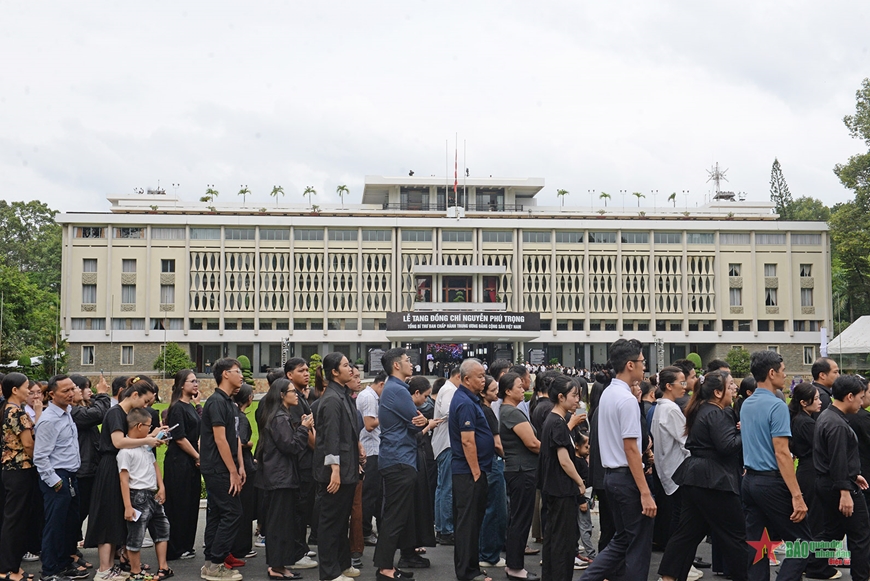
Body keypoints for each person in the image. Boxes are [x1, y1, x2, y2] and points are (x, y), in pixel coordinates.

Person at [740, 350, 827, 580]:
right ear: (771, 373)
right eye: (783, 371)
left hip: (749, 481)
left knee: (759, 546)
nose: (785, 375)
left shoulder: (747, 403)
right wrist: (797, 496)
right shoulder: (777, 405)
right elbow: (782, 453)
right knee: (803, 543)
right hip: (770, 481)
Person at [657, 371, 746, 581]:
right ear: (717, 392)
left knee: (687, 534)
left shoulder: (700, 409)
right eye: (730, 385)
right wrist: (746, 431)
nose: (734, 389)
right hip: (715, 480)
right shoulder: (717, 412)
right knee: (736, 536)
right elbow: (726, 446)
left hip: (695, 477)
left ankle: (668, 578)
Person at [581, 339, 656, 581]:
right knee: (638, 546)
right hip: (626, 478)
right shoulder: (625, 400)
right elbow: (631, 449)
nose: (645, 367)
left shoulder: (609, 394)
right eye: (643, 362)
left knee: (622, 540)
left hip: (612, 477)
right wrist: (645, 492)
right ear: (630, 364)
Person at [85, 376, 163, 581]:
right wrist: (147, 439)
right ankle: (104, 569)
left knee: (115, 519)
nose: (145, 406)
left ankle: (110, 567)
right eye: (145, 401)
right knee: (107, 517)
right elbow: (118, 441)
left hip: (116, 465)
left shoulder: (123, 413)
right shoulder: (115, 412)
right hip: (110, 468)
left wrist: (150, 435)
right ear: (134, 394)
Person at [374, 348, 430, 580]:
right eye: (408, 360)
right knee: (394, 517)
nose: (412, 364)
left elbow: (414, 421)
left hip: (398, 458)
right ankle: (385, 568)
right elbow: (416, 422)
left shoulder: (395, 389)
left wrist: (420, 421)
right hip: (399, 460)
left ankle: (386, 565)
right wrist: (423, 420)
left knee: (395, 516)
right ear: (396, 365)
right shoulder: (398, 390)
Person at [813, 374, 870, 581]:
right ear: (849, 396)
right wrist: (845, 491)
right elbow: (837, 460)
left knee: (833, 532)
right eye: (860, 397)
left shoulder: (828, 416)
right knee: (860, 534)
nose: (862, 402)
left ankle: (810, 563)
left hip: (831, 483)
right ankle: (861, 576)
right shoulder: (836, 423)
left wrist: (854, 475)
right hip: (838, 486)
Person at [255, 378, 313, 581]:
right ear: (282, 395)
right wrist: (304, 428)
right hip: (280, 478)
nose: (296, 394)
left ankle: (280, 565)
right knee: (279, 524)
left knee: (282, 523)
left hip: (280, 476)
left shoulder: (279, 415)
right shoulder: (279, 417)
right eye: (292, 391)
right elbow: (291, 446)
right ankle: (276, 567)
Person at [313, 352, 360, 581]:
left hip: (347, 469)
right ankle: (330, 573)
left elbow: (346, 433)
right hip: (336, 472)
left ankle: (342, 565)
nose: (350, 368)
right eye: (345, 365)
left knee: (342, 522)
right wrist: (335, 469)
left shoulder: (343, 394)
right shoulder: (332, 398)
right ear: (334, 372)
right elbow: (330, 437)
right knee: (331, 524)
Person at [32, 375, 84, 581]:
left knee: (68, 524)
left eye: (72, 389)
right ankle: (50, 570)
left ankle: (63, 564)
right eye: (65, 391)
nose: (71, 394)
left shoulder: (67, 413)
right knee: (54, 525)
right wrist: (55, 481)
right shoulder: (49, 420)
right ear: (52, 394)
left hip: (71, 475)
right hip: (57, 477)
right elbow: (40, 456)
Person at [200, 359, 246, 581]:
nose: (242, 376)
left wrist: (240, 465)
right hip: (217, 468)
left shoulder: (229, 403)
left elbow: (234, 437)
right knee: (232, 512)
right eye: (238, 372)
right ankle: (216, 563)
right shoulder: (216, 402)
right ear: (225, 374)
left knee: (219, 513)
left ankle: (211, 562)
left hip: (225, 467)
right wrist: (232, 471)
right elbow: (220, 440)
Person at [449, 358, 495, 581]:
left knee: (472, 523)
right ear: (466, 379)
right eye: (479, 376)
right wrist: (476, 472)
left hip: (471, 471)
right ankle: (468, 572)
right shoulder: (466, 402)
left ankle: (471, 567)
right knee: (467, 525)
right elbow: (468, 441)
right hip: (468, 473)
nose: (483, 379)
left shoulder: (470, 399)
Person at [538, 375, 586, 581]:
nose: (577, 400)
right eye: (574, 396)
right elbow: (564, 460)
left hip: (553, 487)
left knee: (553, 538)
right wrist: (580, 481)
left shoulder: (555, 420)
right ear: (560, 397)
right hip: (561, 488)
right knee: (562, 541)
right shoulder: (558, 422)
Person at [117, 407, 172, 580]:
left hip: (152, 494)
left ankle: (163, 567)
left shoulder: (145, 446)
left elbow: (155, 465)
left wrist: (161, 486)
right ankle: (135, 571)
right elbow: (123, 480)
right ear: (139, 426)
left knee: (162, 529)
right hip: (137, 496)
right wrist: (127, 506)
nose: (151, 429)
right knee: (136, 535)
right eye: (149, 426)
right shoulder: (125, 452)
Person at [499, 372, 541, 581]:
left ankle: (514, 566)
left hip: (520, 470)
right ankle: (515, 567)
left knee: (519, 518)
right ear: (507, 391)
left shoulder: (510, 411)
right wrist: (553, 451)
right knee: (520, 519)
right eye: (518, 387)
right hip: (521, 471)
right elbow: (532, 443)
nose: (523, 389)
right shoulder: (511, 413)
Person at [1, 372, 37, 581]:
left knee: (14, 519)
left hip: (10, 471)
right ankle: (8, 569)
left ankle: (13, 566)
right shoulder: (18, 412)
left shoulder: (6, 409)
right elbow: (29, 444)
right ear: (15, 390)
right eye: (26, 387)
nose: (29, 391)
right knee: (15, 521)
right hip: (20, 470)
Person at [283, 359, 318, 570]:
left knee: (304, 508)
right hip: (301, 462)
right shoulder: (293, 400)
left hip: (307, 462)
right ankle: (296, 552)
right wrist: (321, 451)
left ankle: (301, 547)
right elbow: (304, 433)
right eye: (301, 371)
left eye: (307, 370)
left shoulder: (301, 397)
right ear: (289, 375)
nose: (306, 373)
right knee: (299, 507)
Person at [163, 369, 201, 562]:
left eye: (197, 381)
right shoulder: (177, 408)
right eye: (192, 381)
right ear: (181, 385)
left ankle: (186, 544)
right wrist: (197, 456)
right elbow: (179, 438)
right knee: (179, 505)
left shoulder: (190, 406)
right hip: (179, 462)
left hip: (191, 461)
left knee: (189, 504)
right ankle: (175, 547)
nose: (196, 384)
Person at [649, 366, 689, 546]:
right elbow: (686, 442)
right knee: (680, 520)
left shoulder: (659, 408)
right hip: (677, 471)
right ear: (669, 386)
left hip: (666, 470)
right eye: (681, 382)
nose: (685, 386)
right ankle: (676, 563)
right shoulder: (671, 409)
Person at [788, 382, 828, 555]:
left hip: (805, 469)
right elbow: (823, 447)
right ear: (804, 402)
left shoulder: (800, 419)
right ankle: (814, 560)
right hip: (811, 470)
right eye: (817, 399)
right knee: (816, 519)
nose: (820, 402)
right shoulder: (806, 423)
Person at [478, 375, 507, 570]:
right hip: (493, 464)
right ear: (483, 392)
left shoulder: (481, 409)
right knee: (495, 510)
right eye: (494, 390)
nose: (497, 392)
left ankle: (487, 552)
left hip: (486, 464)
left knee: (490, 509)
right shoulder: (487, 411)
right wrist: (510, 457)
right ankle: (489, 554)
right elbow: (497, 444)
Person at [431, 366, 460, 545]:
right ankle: (446, 529)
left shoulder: (447, 388)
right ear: (458, 376)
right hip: (447, 443)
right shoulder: (450, 390)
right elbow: (450, 412)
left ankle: (443, 527)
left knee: (443, 487)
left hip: (445, 443)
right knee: (446, 488)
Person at [357, 371, 386, 546]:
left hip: (374, 448)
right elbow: (369, 424)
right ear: (381, 384)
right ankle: (365, 531)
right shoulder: (368, 397)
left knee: (375, 494)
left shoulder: (371, 396)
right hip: (370, 449)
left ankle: (368, 529)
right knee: (368, 494)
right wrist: (387, 414)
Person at [231, 385, 257, 562]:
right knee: (244, 509)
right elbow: (238, 441)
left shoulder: (235, 416)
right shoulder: (241, 419)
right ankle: (242, 547)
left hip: (245, 464)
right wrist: (248, 445)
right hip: (244, 466)